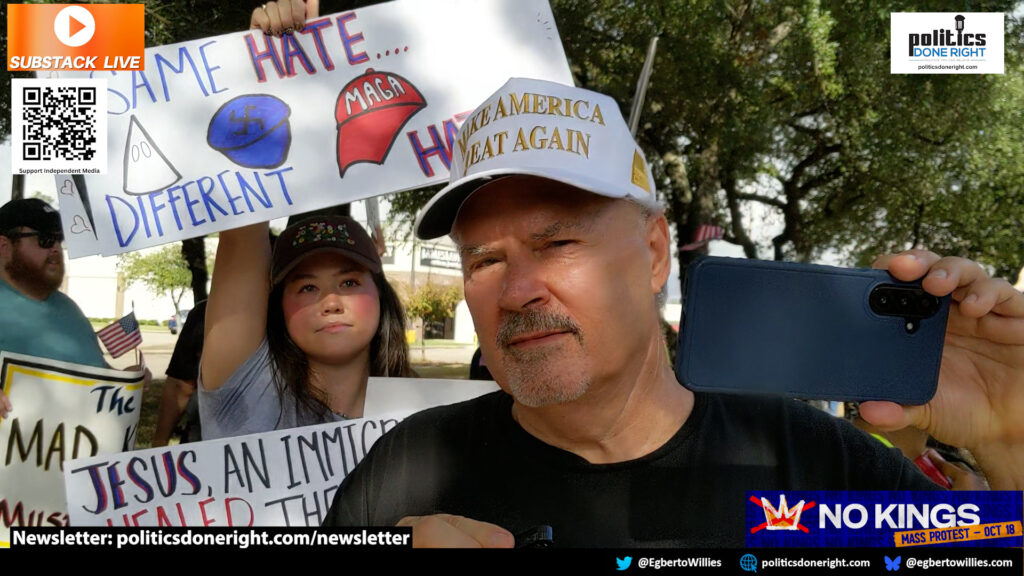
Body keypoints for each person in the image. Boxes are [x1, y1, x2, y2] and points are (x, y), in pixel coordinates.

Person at [323, 78, 1024, 546]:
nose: (517, 291)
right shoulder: (406, 471)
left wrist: (1010, 445)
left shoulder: (810, 461)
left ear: (655, 254)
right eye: (485, 261)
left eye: (557, 242)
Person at [199, 216, 414, 439]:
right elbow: (241, 233)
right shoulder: (248, 389)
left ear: (380, 294)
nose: (331, 303)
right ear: (279, 304)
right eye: (308, 288)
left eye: (349, 283)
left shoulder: (422, 414)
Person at [0, 198, 109, 419]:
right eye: (45, 239)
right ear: (4, 247)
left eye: (59, 239)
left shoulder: (70, 310)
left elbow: (97, 374)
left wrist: (125, 383)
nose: (56, 249)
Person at [152, 300, 207, 446]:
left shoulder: (207, 312)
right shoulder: (203, 313)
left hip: (206, 445)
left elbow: (181, 386)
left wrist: (159, 444)